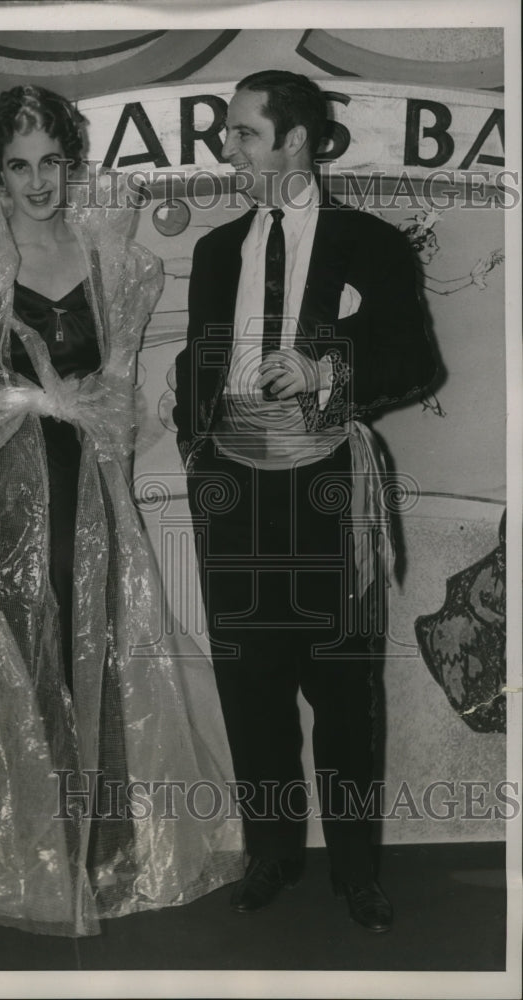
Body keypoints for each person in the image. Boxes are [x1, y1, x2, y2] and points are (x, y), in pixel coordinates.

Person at [0, 84, 242, 938]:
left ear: (71, 164)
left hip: (88, 482)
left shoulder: (108, 260)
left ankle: (104, 856)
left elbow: (117, 388)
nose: (37, 182)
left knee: (98, 651)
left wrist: (118, 497)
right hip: (4, 483)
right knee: (21, 655)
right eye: (19, 165)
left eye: (51, 162)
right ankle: (37, 853)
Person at [173, 70, 438, 932]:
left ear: (294, 141)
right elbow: (194, 362)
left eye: (243, 134)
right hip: (233, 493)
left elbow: (415, 361)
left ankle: (356, 872)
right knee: (249, 687)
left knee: (344, 688)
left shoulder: (370, 243)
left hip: (328, 489)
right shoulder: (216, 251)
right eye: (229, 134)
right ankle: (272, 855)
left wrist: (327, 370)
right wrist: (196, 453)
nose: (227, 149)